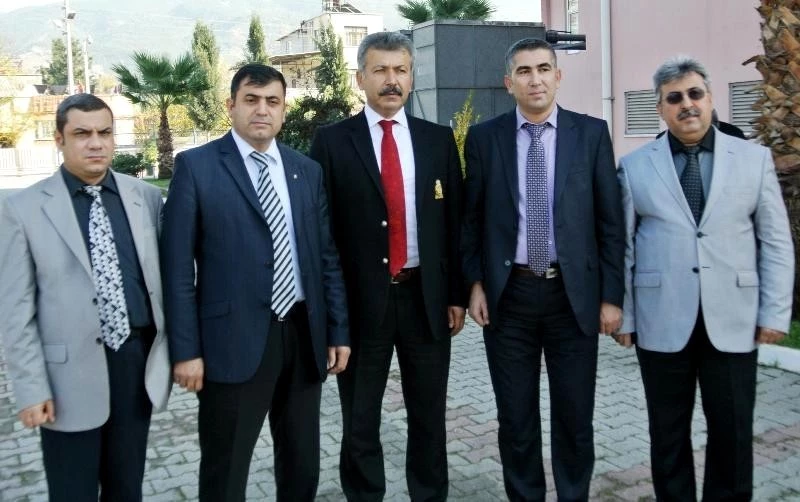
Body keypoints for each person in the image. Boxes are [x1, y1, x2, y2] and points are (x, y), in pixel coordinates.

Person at [161, 64, 350, 502]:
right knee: (226, 471)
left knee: (302, 464)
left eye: (272, 101)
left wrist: (337, 330)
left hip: (301, 336)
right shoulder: (197, 167)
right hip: (231, 342)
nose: (262, 110)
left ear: (283, 109)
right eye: (251, 100)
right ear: (231, 106)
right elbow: (177, 268)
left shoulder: (306, 170)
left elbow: (325, 257)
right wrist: (186, 351)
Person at [615, 56, 794, 501]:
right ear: (661, 108)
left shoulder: (753, 160)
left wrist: (775, 312)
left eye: (695, 94)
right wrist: (626, 316)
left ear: (711, 99)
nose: (687, 104)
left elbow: (775, 241)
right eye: (674, 98)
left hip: (734, 319)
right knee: (667, 434)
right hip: (660, 321)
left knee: (732, 432)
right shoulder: (635, 166)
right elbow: (624, 248)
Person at [461, 38, 625, 501]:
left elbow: (610, 221)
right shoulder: (484, 138)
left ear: (558, 75)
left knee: (574, 415)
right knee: (515, 418)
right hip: (508, 296)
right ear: (508, 82)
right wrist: (474, 283)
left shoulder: (590, 134)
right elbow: (471, 219)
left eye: (544, 69)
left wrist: (611, 296)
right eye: (524, 71)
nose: (535, 79)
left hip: (572, 298)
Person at [309, 31, 465, 501]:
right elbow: (322, 235)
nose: (391, 80)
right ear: (360, 78)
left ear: (412, 77)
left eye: (400, 70)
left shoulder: (438, 141)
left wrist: (456, 294)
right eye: (380, 70)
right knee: (360, 419)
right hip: (362, 307)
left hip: (426, 301)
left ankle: (429, 494)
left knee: (429, 416)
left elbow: (455, 223)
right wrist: (333, 314)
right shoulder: (332, 142)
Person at [0, 93, 171, 502]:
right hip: (65, 379)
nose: (95, 143)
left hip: (135, 365)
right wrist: (31, 388)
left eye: (104, 133)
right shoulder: (23, 209)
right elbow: (15, 310)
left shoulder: (145, 197)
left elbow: (164, 282)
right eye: (82, 134)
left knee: (126, 488)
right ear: (59, 139)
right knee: (72, 491)